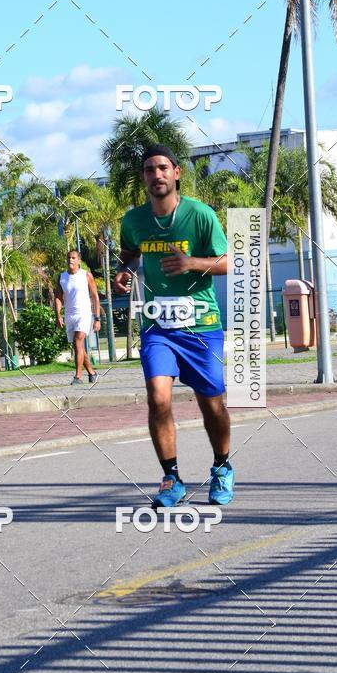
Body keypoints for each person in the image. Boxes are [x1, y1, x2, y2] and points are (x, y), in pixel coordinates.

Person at [114, 144, 233, 507]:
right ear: (143, 177)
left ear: (176, 173)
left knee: (211, 403)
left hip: (201, 324)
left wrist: (191, 263)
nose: (157, 175)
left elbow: (228, 262)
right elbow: (129, 253)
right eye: (150, 169)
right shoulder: (133, 221)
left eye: (163, 168)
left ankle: (222, 466)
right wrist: (123, 271)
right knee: (158, 397)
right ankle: (172, 478)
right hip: (158, 325)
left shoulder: (200, 215)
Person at [54, 250, 101, 385]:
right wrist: (58, 315)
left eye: (74, 258)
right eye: (69, 257)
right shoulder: (62, 277)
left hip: (84, 314)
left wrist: (97, 318)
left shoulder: (86, 275)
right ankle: (92, 373)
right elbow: (58, 297)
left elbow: (95, 297)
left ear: (79, 261)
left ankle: (78, 377)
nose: (71, 260)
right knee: (78, 346)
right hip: (70, 315)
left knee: (78, 341)